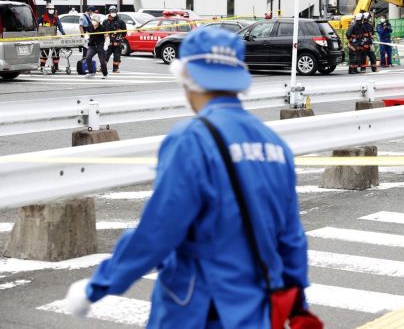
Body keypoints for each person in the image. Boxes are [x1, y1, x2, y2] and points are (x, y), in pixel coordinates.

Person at [63, 26, 312, 328]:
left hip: (199, 307)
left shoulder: (192, 140)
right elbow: (291, 237)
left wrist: (97, 287)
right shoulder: (274, 144)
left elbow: (159, 230)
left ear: (187, 78)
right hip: (256, 308)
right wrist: (299, 304)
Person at [38, 3, 65, 71]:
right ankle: (42, 66)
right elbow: (36, 24)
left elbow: (60, 26)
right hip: (45, 37)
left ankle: (56, 67)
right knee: (45, 52)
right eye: (50, 9)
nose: (51, 10)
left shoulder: (56, 18)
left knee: (56, 51)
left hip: (53, 37)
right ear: (47, 10)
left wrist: (63, 34)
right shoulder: (43, 17)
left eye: (52, 9)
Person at [102, 6, 127, 74]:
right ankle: (102, 67)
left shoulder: (121, 22)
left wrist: (120, 31)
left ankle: (115, 68)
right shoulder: (105, 22)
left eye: (114, 11)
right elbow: (102, 32)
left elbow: (125, 33)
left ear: (116, 12)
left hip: (117, 43)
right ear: (109, 12)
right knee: (105, 56)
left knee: (117, 57)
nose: (113, 13)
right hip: (108, 43)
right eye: (111, 12)